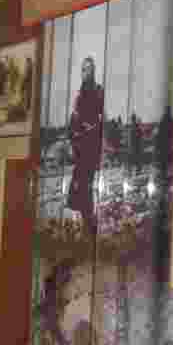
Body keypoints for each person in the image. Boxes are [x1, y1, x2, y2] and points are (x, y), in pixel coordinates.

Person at [66, 56, 105, 227]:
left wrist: (89, 128)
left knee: (85, 185)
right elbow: (74, 117)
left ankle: (90, 224)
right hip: (79, 145)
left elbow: (100, 118)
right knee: (79, 185)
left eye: (88, 69)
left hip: (90, 144)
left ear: (93, 71)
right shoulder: (79, 94)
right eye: (83, 69)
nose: (85, 72)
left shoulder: (98, 90)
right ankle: (87, 223)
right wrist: (73, 135)